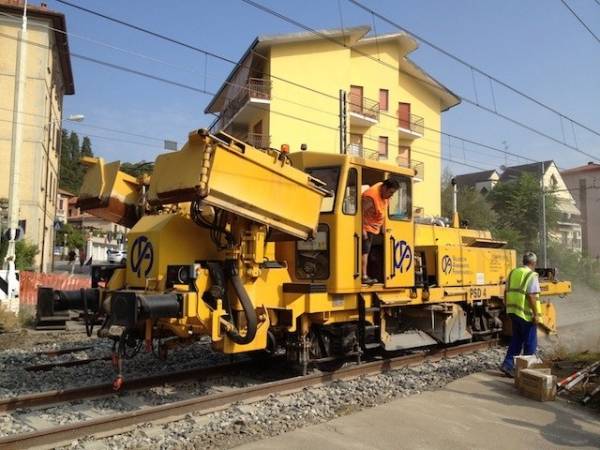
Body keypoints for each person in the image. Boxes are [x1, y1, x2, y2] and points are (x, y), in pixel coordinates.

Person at [500, 251, 542, 377]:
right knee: (530, 343)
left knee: (516, 340)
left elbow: (506, 292)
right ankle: (527, 372)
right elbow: (532, 296)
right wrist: (536, 314)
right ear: (533, 263)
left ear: (523, 261)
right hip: (526, 314)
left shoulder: (513, 273)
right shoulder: (531, 275)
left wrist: (507, 308)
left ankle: (507, 365)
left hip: (513, 312)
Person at [361, 178, 400, 284]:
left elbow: (382, 211)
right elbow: (360, 213)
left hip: (376, 228)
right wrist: (362, 230)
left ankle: (378, 274)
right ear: (384, 188)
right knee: (365, 251)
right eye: (391, 192)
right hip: (366, 227)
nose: (391, 195)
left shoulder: (382, 190)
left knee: (378, 249)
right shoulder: (370, 197)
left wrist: (384, 229)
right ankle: (363, 276)